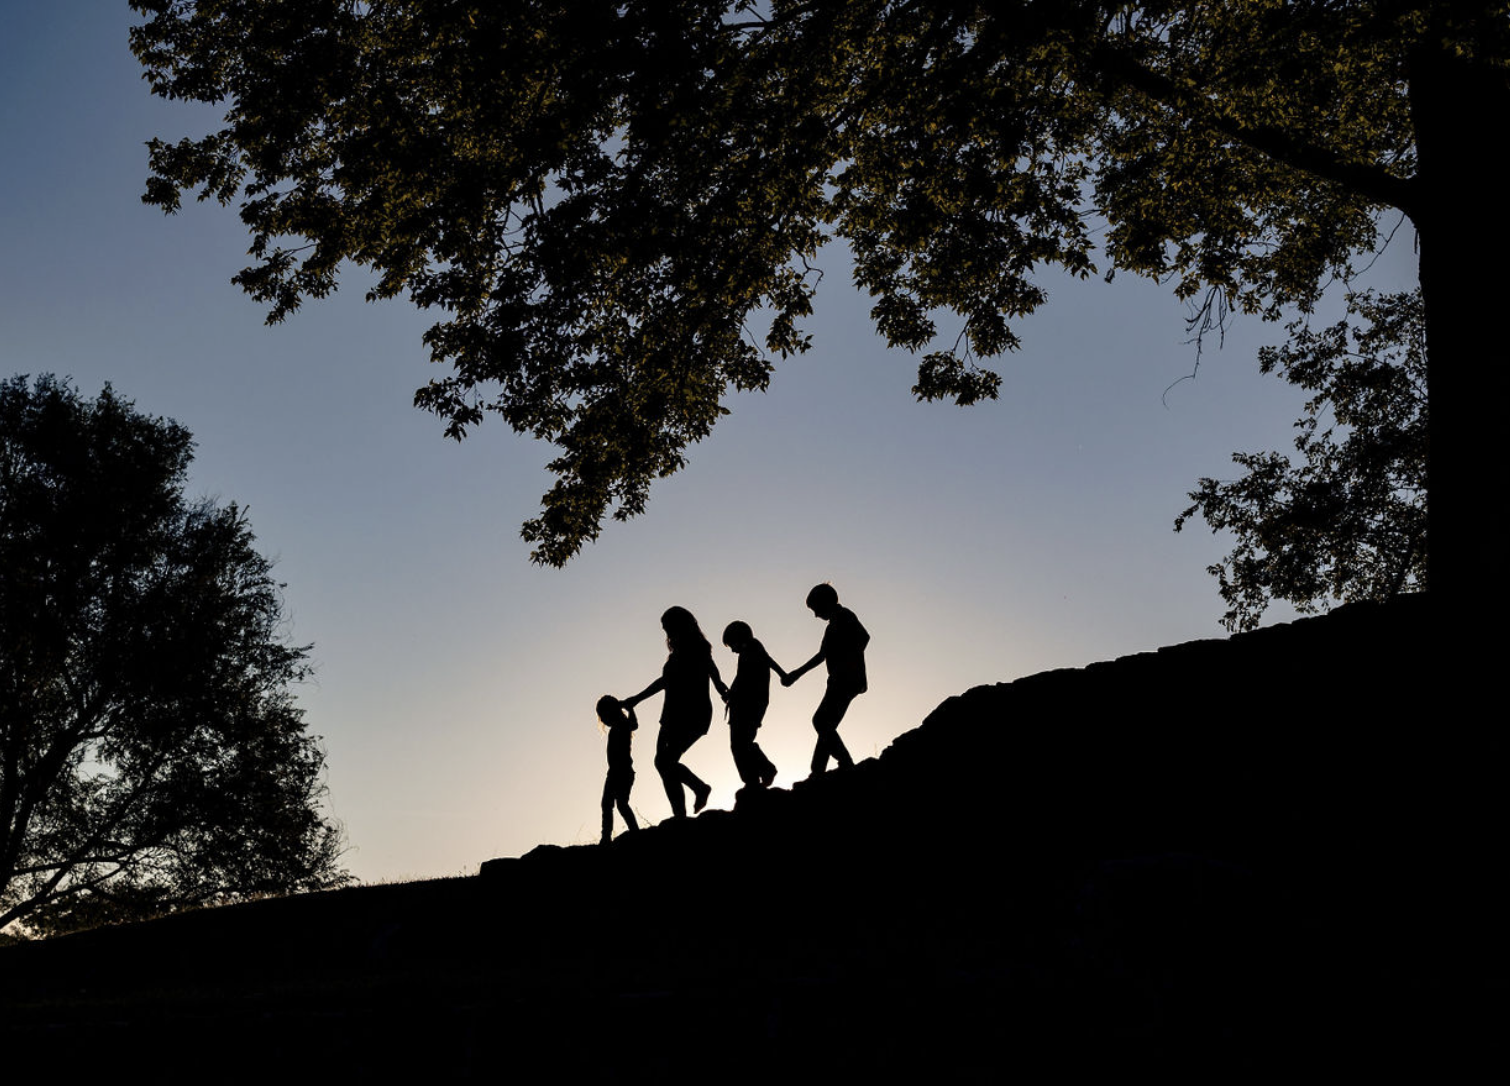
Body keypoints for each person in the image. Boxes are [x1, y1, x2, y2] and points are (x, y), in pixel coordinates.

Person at [624, 606, 729, 818]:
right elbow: (664, 682)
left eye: (668, 627)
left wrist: (722, 691)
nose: (666, 632)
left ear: (680, 625)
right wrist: (636, 699)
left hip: (693, 713)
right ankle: (680, 814)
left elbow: (712, 671)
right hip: (671, 715)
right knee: (663, 764)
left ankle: (699, 789)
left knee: (665, 762)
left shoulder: (697, 647)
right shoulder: (677, 653)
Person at [782, 583, 869, 777]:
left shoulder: (845, 616)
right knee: (825, 724)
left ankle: (844, 763)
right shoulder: (832, 626)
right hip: (840, 679)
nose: (815, 615)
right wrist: (797, 673)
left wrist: (847, 661)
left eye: (816, 609)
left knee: (821, 722)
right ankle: (818, 770)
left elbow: (863, 637)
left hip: (846, 679)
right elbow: (822, 655)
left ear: (826, 602)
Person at [721, 620, 785, 791]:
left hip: (748, 705)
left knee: (740, 744)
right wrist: (730, 694)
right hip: (745, 704)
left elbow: (766, 662)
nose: (733, 650)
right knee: (742, 743)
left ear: (739, 638)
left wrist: (783, 675)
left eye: (732, 645)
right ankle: (754, 778)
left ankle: (759, 774)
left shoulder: (752, 647)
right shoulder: (750, 650)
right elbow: (742, 677)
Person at [596, 695, 639, 845]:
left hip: (623, 771)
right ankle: (606, 837)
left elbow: (634, 725)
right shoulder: (618, 726)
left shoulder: (622, 724)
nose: (602, 720)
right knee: (608, 803)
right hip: (614, 772)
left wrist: (631, 709)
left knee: (619, 804)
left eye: (603, 715)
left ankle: (634, 832)